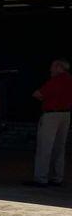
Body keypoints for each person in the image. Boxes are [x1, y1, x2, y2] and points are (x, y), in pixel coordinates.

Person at [28, 58, 72, 187]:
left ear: (59, 67)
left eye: (53, 66)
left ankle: (41, 178)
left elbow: (37, 94)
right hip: (66, 114)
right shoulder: (70, 80)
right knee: (60, 147)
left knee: (44, 147)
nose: (50, 69)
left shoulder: (56, 80)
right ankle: (57, 177)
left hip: (51, 115)